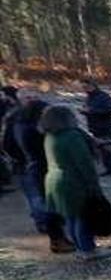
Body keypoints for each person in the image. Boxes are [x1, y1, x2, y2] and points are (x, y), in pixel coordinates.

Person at [4, 95, 74, 253]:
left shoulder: (13, 122)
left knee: (35, 200)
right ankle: (57, 238)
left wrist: (18, 160)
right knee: (48, 202)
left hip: (23, 167)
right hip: (40, 167)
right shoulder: (38, 129)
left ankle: (44, 226)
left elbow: (7, 145)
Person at [40, 105, 108, 259]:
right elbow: (83, 162)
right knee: (83, 216)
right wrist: (93, 184)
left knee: (70, 217)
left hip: (53, 180)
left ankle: (79, 247)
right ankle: (88, 249)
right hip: (72, 181)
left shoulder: (49, 135)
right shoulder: (72, 136)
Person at [79, 79, 111, 176]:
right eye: (83, 87)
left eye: (85, 87)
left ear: (92, 85)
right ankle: (108, 168)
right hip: (94, 126)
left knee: (108, 148)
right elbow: (89, 109)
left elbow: (109, 110)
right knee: (101, 149)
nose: (84, 89)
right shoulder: (89, 97)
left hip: (105, 126)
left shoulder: (104, 97)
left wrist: (91, 111)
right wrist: (84, 111)